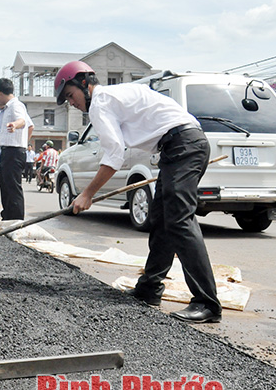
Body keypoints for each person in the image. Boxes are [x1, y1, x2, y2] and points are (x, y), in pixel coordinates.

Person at [55, 60, 222, 324]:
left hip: (184, 145)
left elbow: (114, 155)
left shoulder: (100, 102)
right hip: (179, 146)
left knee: (179, 220)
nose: (71, 103)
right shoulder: (115, 95)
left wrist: (87, 194)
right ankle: (149, 289)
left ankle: (207, 303)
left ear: (84, 83)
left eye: (70, 95)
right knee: (162, 220)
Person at [0, 78, 33, 221]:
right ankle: (7, 218)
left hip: (14, 151)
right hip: (6, 152)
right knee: (5, 187)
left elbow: (23, 121)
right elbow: (30, 126)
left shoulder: (16, 106)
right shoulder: (5, 109)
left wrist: (15, 125)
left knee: (12, 188)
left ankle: (15, 221)